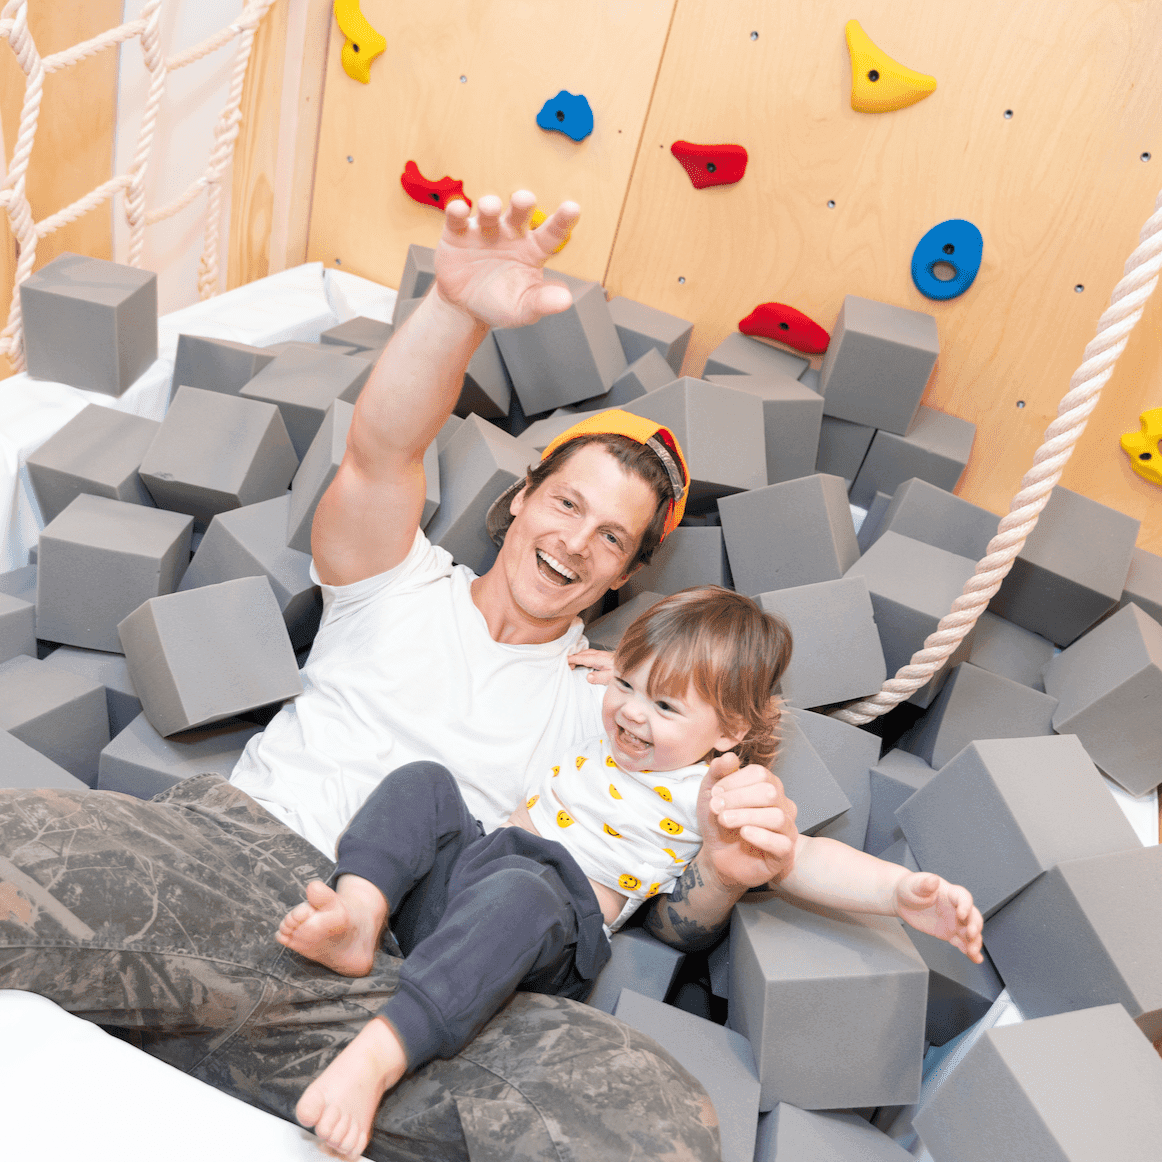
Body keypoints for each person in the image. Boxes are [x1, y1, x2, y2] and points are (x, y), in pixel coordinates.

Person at [0, 191, 800, 1162]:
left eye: (611, 536)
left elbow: (660, 909)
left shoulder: (618, 716)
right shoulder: (400, 581)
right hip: (226, 871)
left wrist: (721, 871)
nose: (575, 542)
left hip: (390, 997)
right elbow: (384, 448)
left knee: (656, 1121)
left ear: (628, 573)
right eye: (566, 504)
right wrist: (455, 310)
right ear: (519, 502)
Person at [275, 586, 984, 1159]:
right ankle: (359, 917)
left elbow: (799, 858)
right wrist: (616, 669)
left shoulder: (710, 789)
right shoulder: (618, 720)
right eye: (628, 685)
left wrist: (896, 892)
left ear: (731, 731)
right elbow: (643, 685)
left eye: (664, 705)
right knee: (424, 782)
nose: (631, 714)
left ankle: (380, 1054)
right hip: (475, 871)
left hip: (549, 921)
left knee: (520, 891)